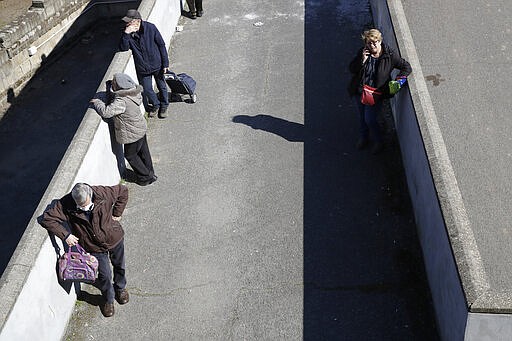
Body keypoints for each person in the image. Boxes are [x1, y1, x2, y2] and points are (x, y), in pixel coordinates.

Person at [40, 183, 129, 317]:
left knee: (119, 265)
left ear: (91, 195)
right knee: (104, 275)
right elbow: (47, 218)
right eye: (80, 206)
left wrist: (117, 213)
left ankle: (120, 288)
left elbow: (123, 190)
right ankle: (108, 299)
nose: (83, 209)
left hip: (113, 238)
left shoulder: (103, 193)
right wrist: (66, 235)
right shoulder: (67, 203)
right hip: (93, 246)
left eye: (86, 205)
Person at [347, 28, 412, 154]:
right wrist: (362, 61)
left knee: (369, 119)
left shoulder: (389, 56)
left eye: (374, 42)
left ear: (380, 41)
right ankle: (364, 138)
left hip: (375, 94)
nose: (372, 45)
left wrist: (399, 81)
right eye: (369, 43)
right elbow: (352, 69)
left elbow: (406, 67)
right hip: (360, 91)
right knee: (362, 118)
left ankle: (378, 141)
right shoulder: (363, 53)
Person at [90, 73, 157, 186]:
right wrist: (109, 89)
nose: (113, 84)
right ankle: (150, 172)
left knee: (130, 155)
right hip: (140, 127)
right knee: (144, 152)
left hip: (132, 133)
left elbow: (107, 112)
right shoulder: (134, 92)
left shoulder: (122, 101)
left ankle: (146, 177)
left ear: (120, 86)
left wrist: (97, 102)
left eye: (114, 83)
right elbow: (116, 97)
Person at [119, 9, 170, 119]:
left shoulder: (150, 28)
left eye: (130, 21)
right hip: (142, 67)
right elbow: (123, 48)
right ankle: (156, 105)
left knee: (162, 86)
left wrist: (165, 63)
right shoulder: (127, 32)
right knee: (147, 89)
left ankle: (164, 105)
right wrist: (126, 34)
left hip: (157, 64)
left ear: (138, 21)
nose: (127, 24)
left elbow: (161, 44)